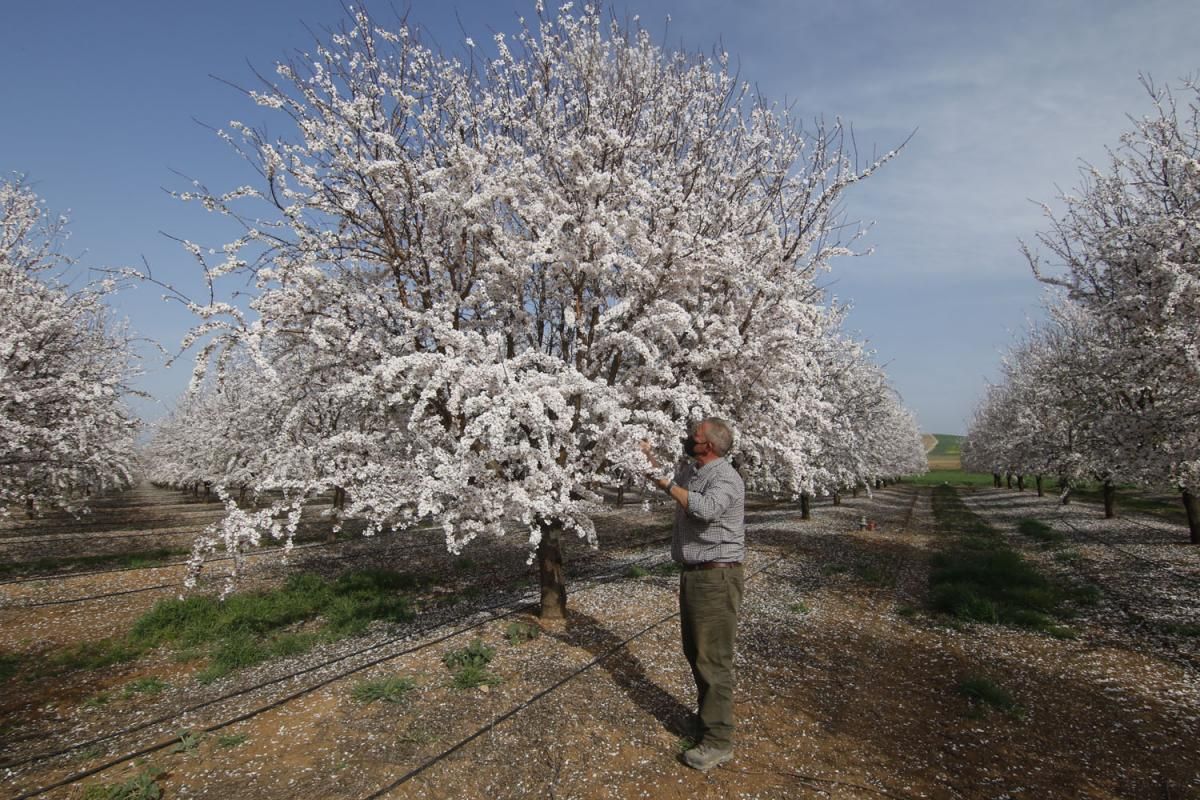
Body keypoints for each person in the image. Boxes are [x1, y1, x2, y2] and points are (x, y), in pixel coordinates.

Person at [643, 417, 745, 771]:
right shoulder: (696, 472)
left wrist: (667, 483)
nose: (689, 438)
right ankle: (707, 722)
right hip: (696, 576)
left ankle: (718, 741)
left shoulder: (726, 478)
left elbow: (704, 509)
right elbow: (670, 485)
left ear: (710, 445)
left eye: (695, 436)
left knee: (713, 658)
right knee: (697, 653)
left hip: (716, 578)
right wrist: (649, 460)